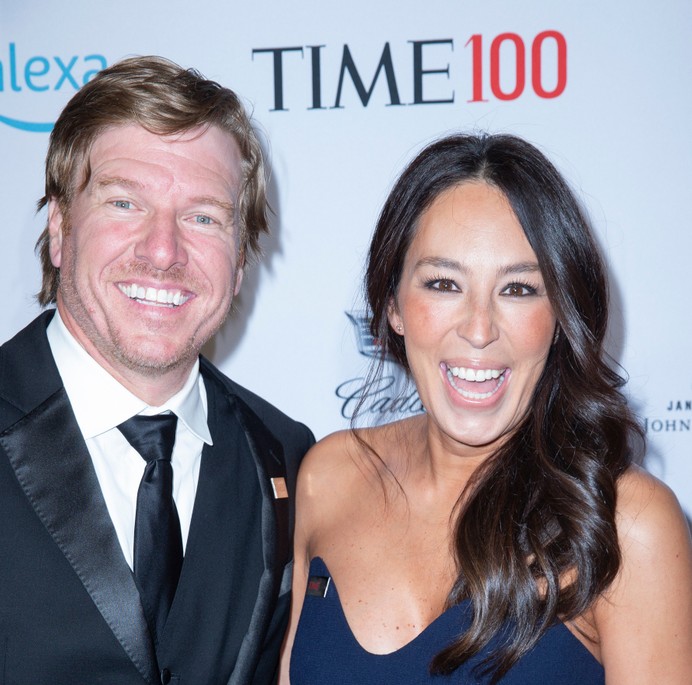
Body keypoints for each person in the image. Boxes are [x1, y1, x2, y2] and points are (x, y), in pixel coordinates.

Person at [280, 133, 692, 684]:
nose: (479, 329)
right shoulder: (328, 477)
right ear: (393, 305)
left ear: (561, 316)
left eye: (518, 289)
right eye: (443, 283)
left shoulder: (628, 524)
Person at [0, 55, 313, 685]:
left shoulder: (286, 456)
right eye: (125, 203)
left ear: (241, 258)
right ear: (59, 228)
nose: (164, 251)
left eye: (203, 217)